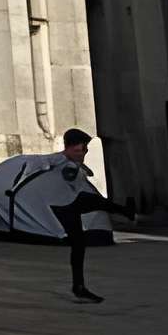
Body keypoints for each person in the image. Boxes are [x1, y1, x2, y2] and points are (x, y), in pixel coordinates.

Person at [49, 128, 113, 304]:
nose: (83, 153)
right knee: (78, 244)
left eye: (85, 149)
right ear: (69, 148)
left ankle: (79, 286)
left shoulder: (72, 164)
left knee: (79, 245)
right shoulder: (58, 163)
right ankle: (78, 287)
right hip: (61, 208)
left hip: (68, 207)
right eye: (80, 149)